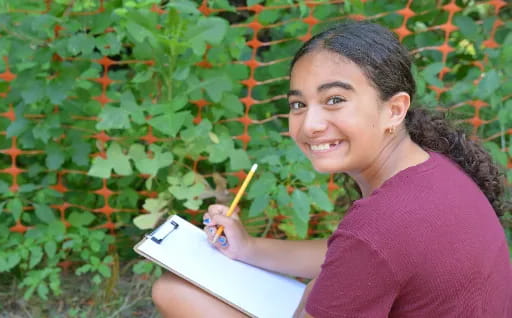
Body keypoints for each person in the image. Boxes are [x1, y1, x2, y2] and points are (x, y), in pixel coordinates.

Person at [151, 21, 511, 317]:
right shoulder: (431, 168)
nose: (310, 125)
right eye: (298, 104)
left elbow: (367, 248)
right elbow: (350, 254)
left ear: (395, 109)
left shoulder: (380, 226)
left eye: (334, 100)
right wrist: (248, 248)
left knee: (174, 292)